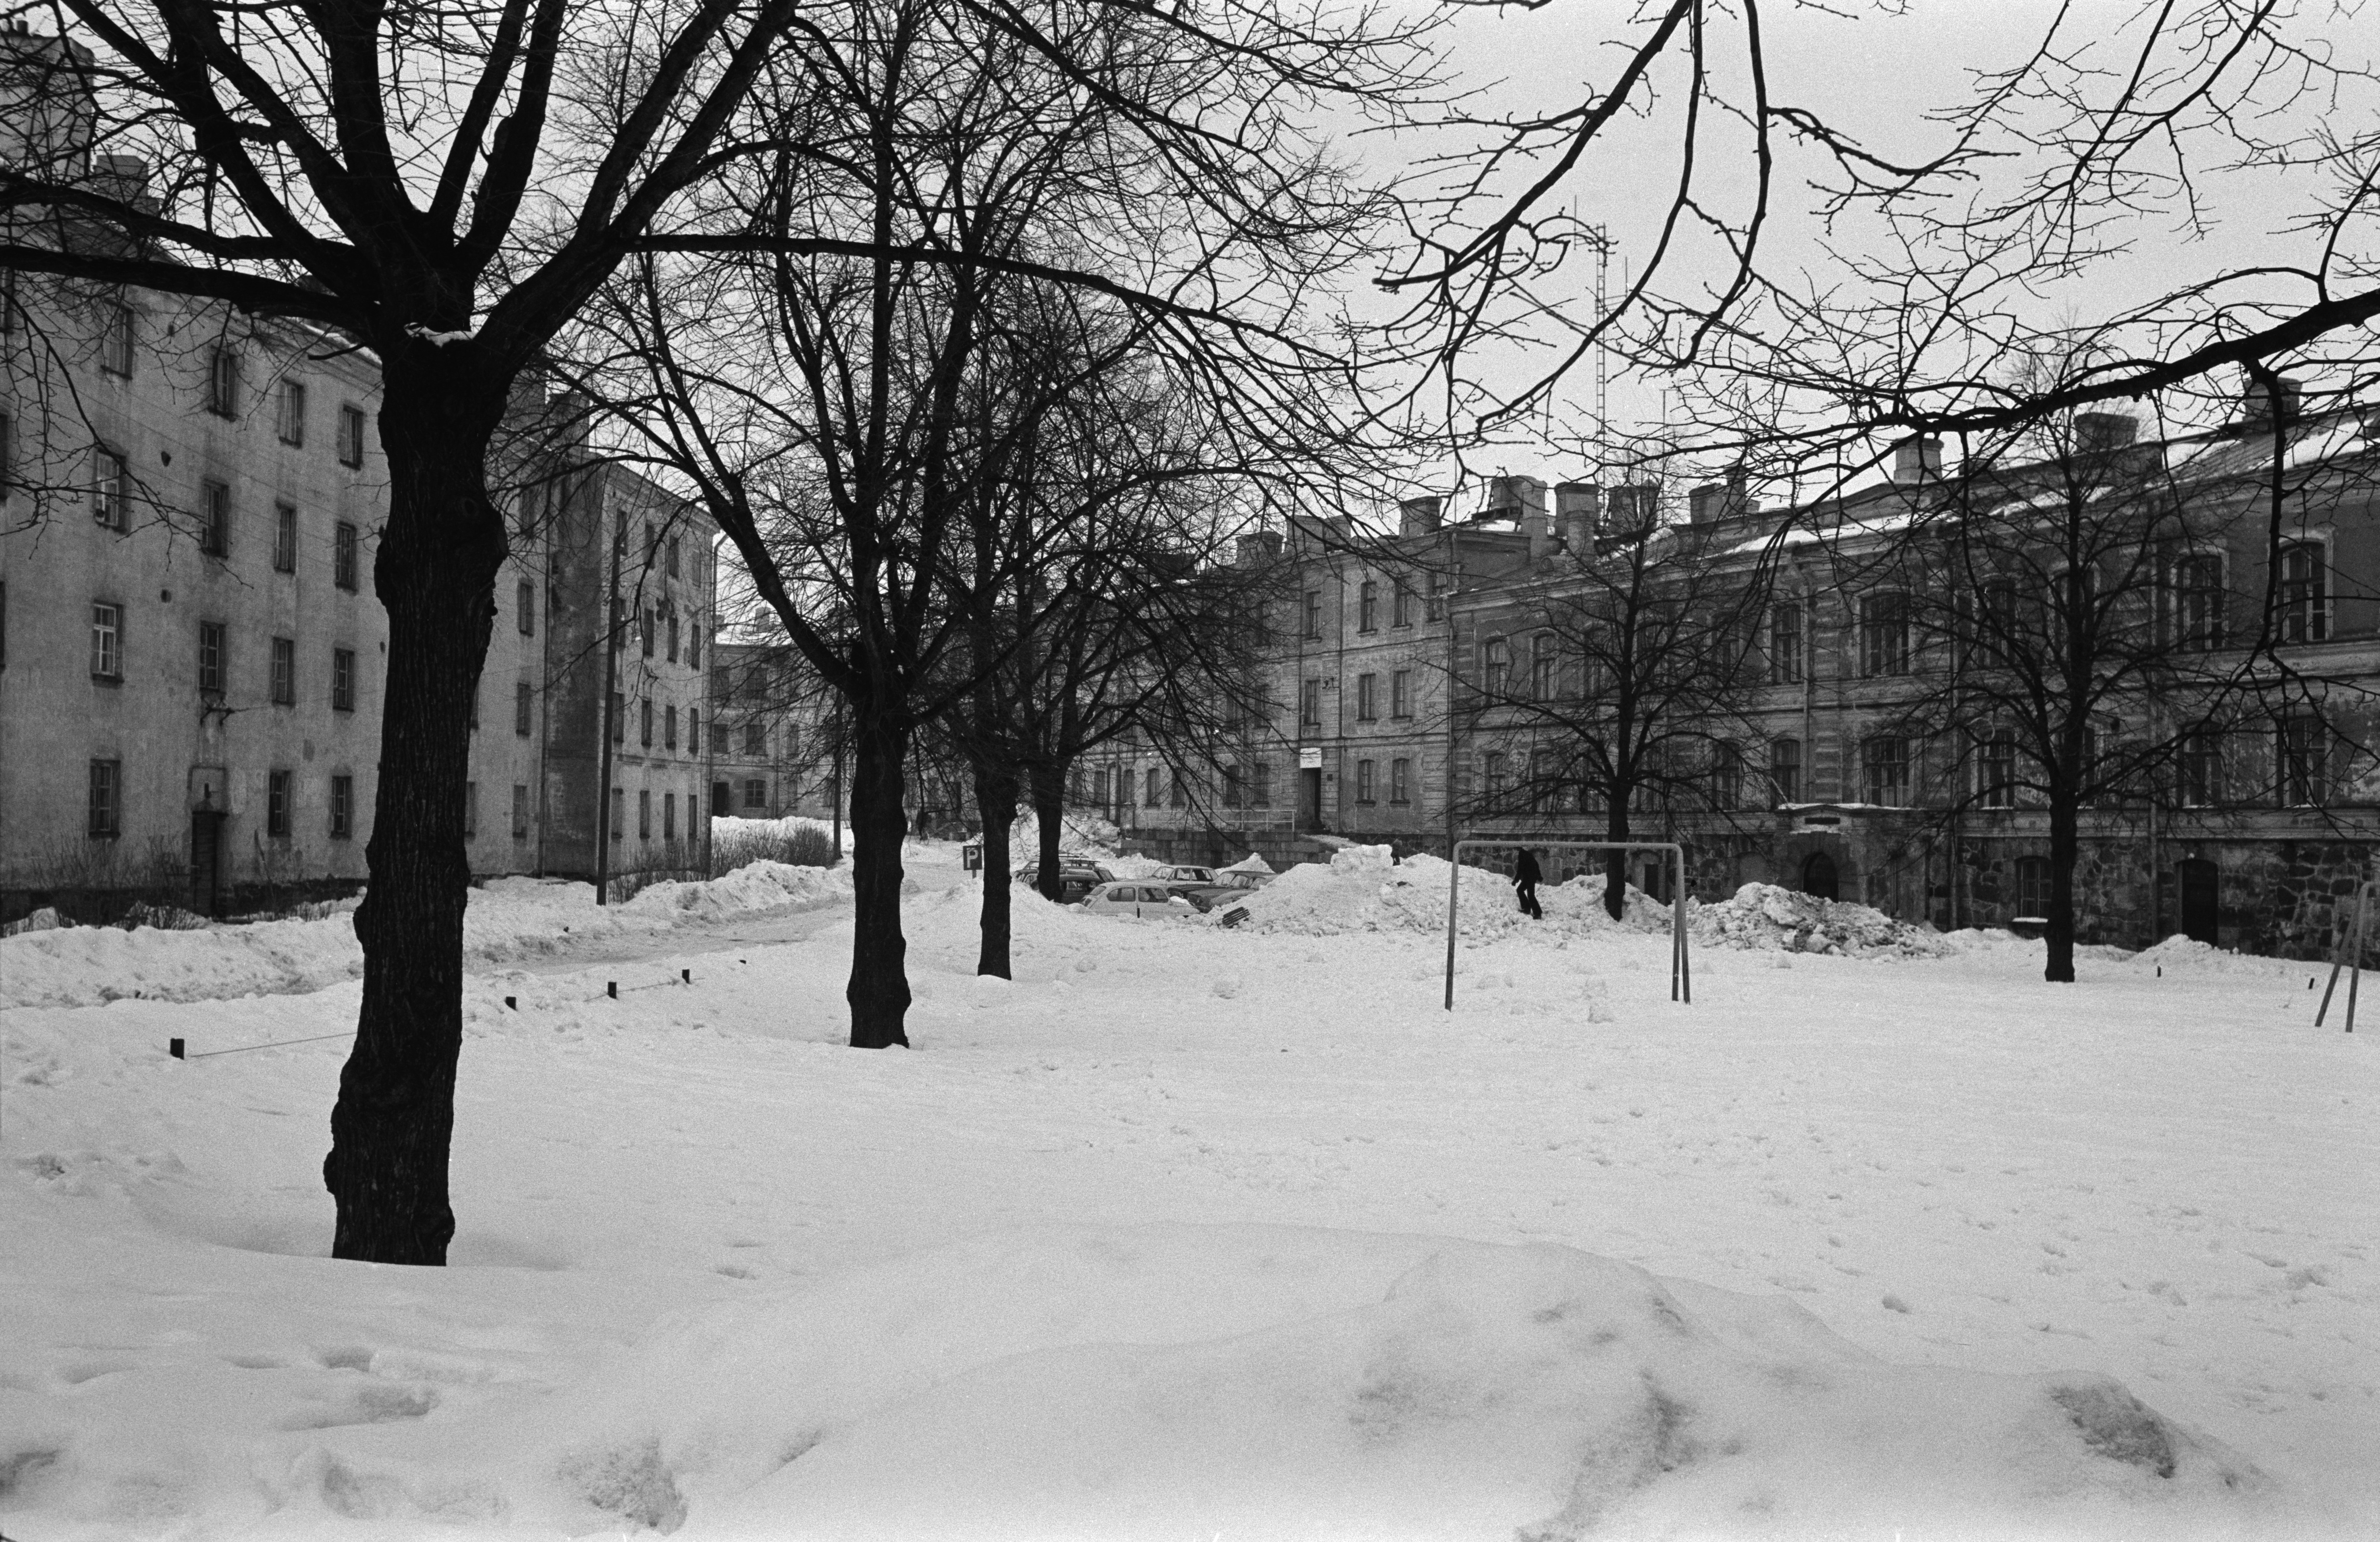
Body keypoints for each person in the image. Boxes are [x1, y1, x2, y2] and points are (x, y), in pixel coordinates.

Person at [1513, 846, 1543, 920]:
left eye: (1516, 850)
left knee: (1531, 895)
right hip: (1529, 877)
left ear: (1518, 850)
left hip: (1530, 877)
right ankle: (1527, 908)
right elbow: (1536, 864)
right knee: (1520, 890)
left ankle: (1538, 913)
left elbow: (1520, 869)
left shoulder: (1522, 855)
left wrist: (1516, 880)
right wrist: (1539, 876)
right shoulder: (1528, 854)